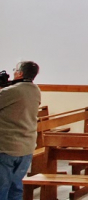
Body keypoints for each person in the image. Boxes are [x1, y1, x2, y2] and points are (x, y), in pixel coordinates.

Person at [0, 61, 41, 200]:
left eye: (15, 70)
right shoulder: (35, 90)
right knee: (16, 186)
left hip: (7, 147)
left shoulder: (11, 91)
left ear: (20, 73)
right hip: (26, 147)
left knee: (2, 187)